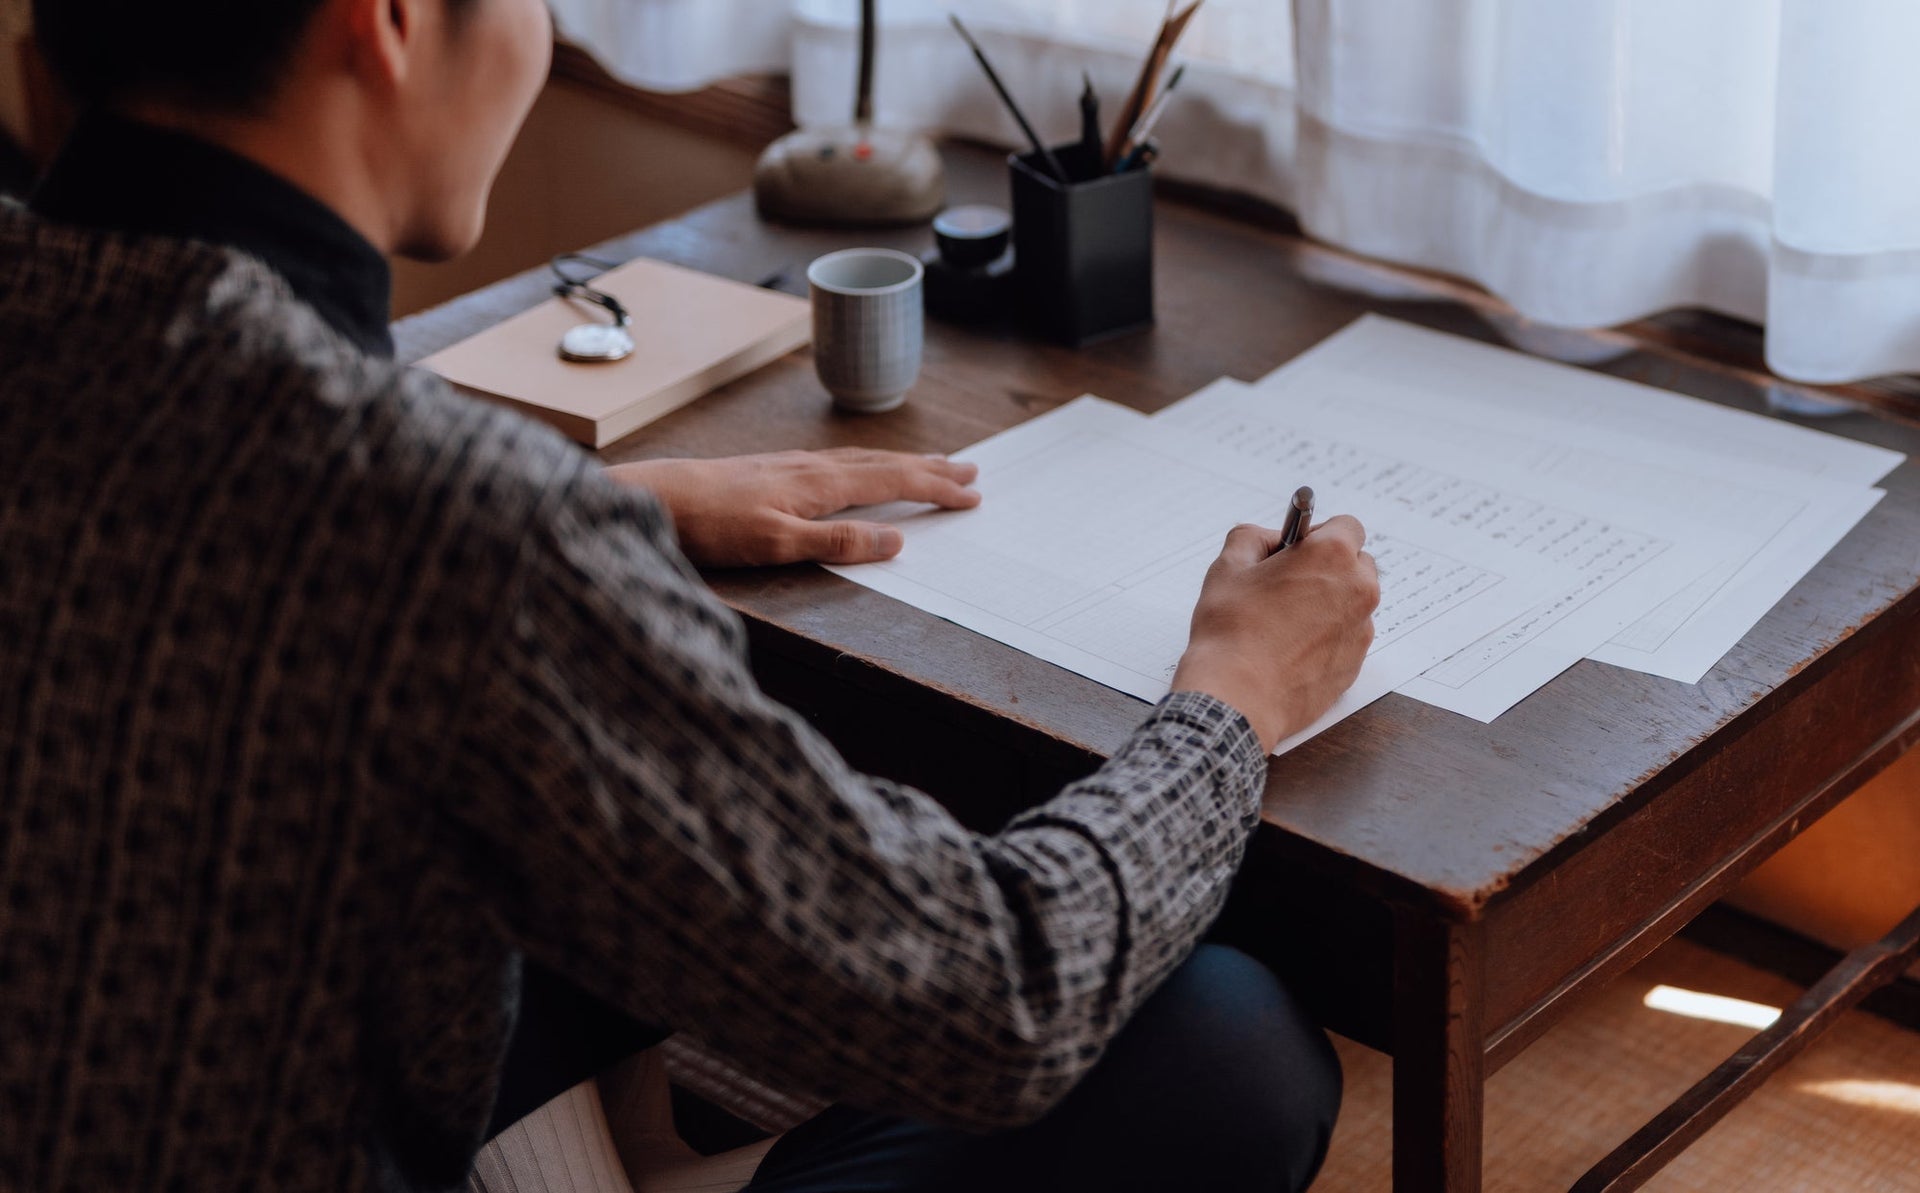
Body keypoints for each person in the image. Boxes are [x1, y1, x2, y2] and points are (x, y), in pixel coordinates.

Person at [0, 0, 1380, 1190]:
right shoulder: (448, 537)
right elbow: (997, 997)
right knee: (1227, 1046)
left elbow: (190, 504)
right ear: (392, 21)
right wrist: (1235, 693)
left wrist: (615, 506)